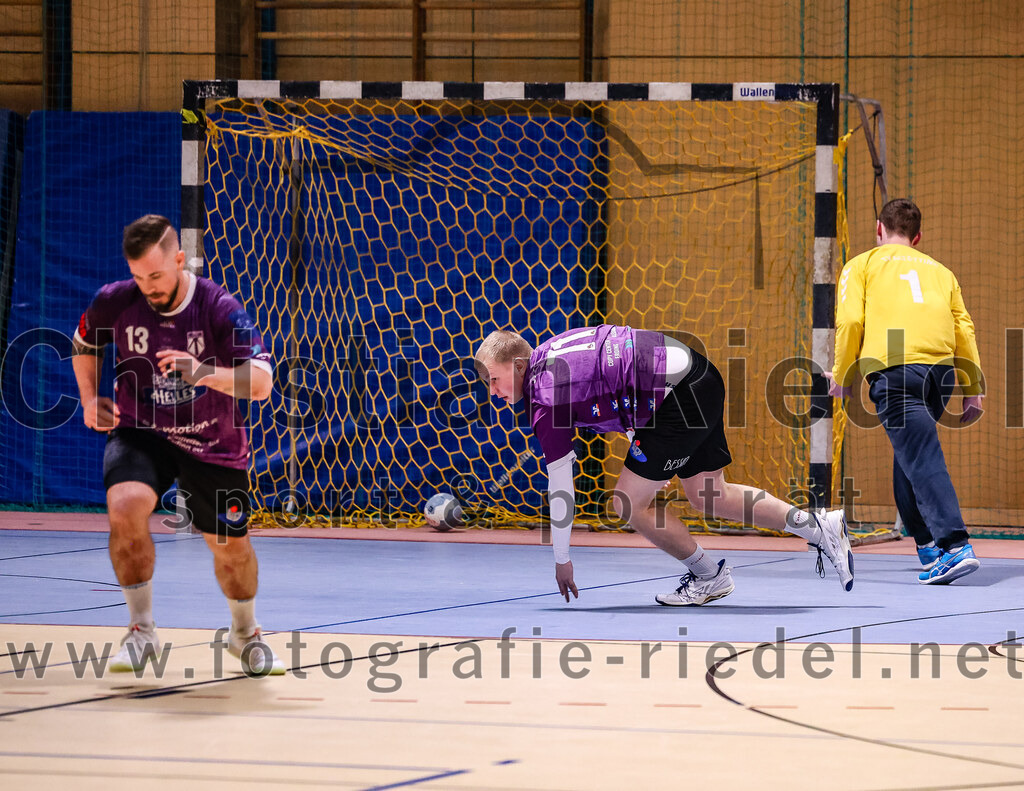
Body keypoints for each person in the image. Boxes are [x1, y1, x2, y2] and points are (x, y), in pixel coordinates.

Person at [475, 326, 854, 605]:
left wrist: (562, 560)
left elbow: (561, 485)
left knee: (626, 502)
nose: (493, 392)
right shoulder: (553, 350)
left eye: (494, 380)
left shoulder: (546, 398)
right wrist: (651, 455)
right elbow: (617, 381)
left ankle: (709, 575)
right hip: (698, 377)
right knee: (710, 494)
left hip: (677, 398)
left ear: (520, 364)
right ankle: (821, 527)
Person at [71, 214, 284, 675]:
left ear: (180, 260)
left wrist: (202, 371)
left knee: (229, 546)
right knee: (125, 505)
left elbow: (263, 382)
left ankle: (244, 633)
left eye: (156, 275)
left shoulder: (219, 307)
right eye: (138, 276)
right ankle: (141, 630)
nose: (147, 286)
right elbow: (82, 341)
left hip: (212, 441)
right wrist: (90, 399)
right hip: (140, 430)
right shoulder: (116, 301)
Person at [825, 198, 984, 585]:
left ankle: (955, 545)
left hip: (894, 369)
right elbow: (964, 328)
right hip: (941, 372)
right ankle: (928, 545)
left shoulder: (861, 264)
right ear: (918, 237)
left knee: (920, 453)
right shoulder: (942, 272)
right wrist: (973, 388)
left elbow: (849, 319)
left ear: (879, 229)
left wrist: (843, 373)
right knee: (909, 453)